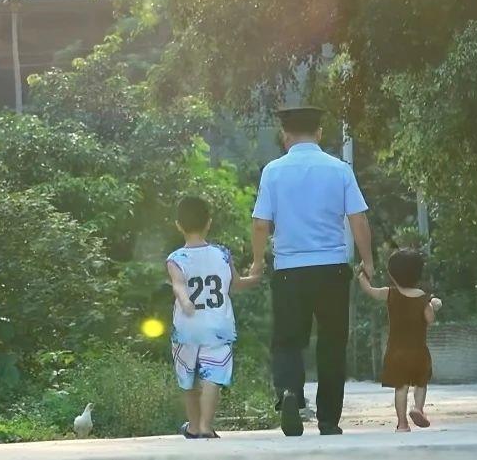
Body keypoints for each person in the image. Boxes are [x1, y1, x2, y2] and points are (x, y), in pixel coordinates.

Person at [249, 106, 375, 437]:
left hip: (289, 271)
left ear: (284, 135)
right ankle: (328, 419)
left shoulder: (273, 171)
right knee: (332, 342)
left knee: (288, 340)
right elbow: (358, 219)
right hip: (332, 270)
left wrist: (258, 262)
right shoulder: (339, 169)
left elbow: (261, 223)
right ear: (319, 133)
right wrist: (368, 261)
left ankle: (290, 393)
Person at [166, 196, 263, 439]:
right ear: (208, 223)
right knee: (213, 376)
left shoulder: (175, 259)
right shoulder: (222, 254)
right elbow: (235, 284)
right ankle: (206, 427)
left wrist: (185, 301)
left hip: (187, 327)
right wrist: (254, 277)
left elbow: (178, 285)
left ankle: (192, 426)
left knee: (188, 377)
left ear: (178, 225)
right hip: (218, 326)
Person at [357, 249, 442, 432]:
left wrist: (362, 276)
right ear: (418, 273)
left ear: (392, 274)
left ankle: (402, 423)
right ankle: (418, 408)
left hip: (396, 353)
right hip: (419, 352)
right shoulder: (422, 297)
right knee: (421, 383)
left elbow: (370, 291)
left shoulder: (389, 293)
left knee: (401, 388)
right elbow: (429, 319)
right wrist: (431, 307)